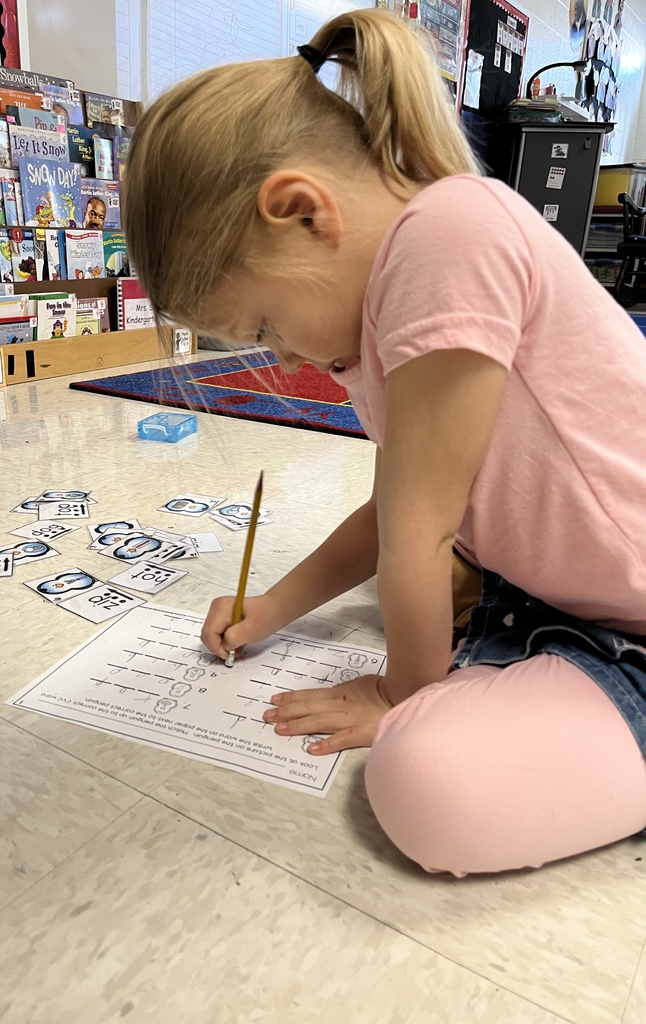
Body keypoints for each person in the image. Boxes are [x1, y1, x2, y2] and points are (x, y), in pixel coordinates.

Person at [121, 8, 646, 877]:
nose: (285, 354)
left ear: (301, 211)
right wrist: (272, 608)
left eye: (263, 322)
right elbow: (393, 509)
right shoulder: (386, 293)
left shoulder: (444, 238)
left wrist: (401, 691)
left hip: (620, 619)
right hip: (568, 600)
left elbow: (417, 530)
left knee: (426, 779)